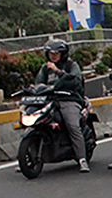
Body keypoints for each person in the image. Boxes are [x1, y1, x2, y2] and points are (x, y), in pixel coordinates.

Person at [36, 38, 91, 172]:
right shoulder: (45, 68)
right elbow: (39, 83)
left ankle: (82, 159)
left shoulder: (71, 65)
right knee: (34, 120)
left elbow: (75, 81)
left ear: (63, 53)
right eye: (50, 53)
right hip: (50, 100)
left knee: (73, 126)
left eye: (56, 53)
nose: (52, 56)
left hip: (69, 99)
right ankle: (28, 157)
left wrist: (58, 71)